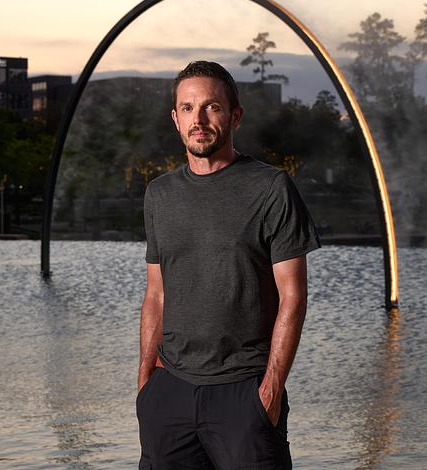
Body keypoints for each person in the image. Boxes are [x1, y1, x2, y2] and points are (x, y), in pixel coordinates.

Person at [137, 61, 321, 469]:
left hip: (243, 393)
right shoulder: (160, 195)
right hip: (170, 392)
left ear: (235, 116)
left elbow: (293, 296)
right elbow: (156, 294)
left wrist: (270, 390)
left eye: (212, 107)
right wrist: (146, 383)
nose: (199, 120)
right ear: (175, 119)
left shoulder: (271, 188)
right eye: (188, 108)